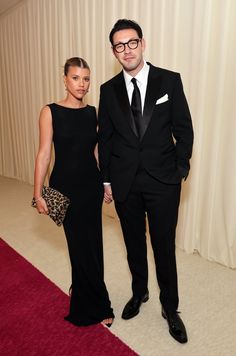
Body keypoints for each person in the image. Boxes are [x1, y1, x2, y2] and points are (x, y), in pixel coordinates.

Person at [98, 19, 193, 343]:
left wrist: (181, 168)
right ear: (114, 51)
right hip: (125, 183)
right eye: (119, 45)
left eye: (132, 42)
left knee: (164, 247)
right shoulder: (107, 90)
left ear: (142, 43)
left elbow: (184, 129)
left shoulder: (169, 80)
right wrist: (106, 181)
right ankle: (140, 293)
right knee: (133, 244)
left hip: (163, 180)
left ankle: (170, 307)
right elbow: (106, 140)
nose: (127, 50)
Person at [33, 57, 114, 327]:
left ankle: (83, 290)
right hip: (65, 188)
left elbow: (96, 151)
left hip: (90, 186)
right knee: (79, 247)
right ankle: (99, 303)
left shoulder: (92, 113)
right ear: (65, 79)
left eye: (86, 78)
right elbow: (44, 154)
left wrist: (105, 182)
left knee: (94, 245)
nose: (82, 84)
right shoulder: (50, 111)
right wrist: (38, 193)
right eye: (76, 78)